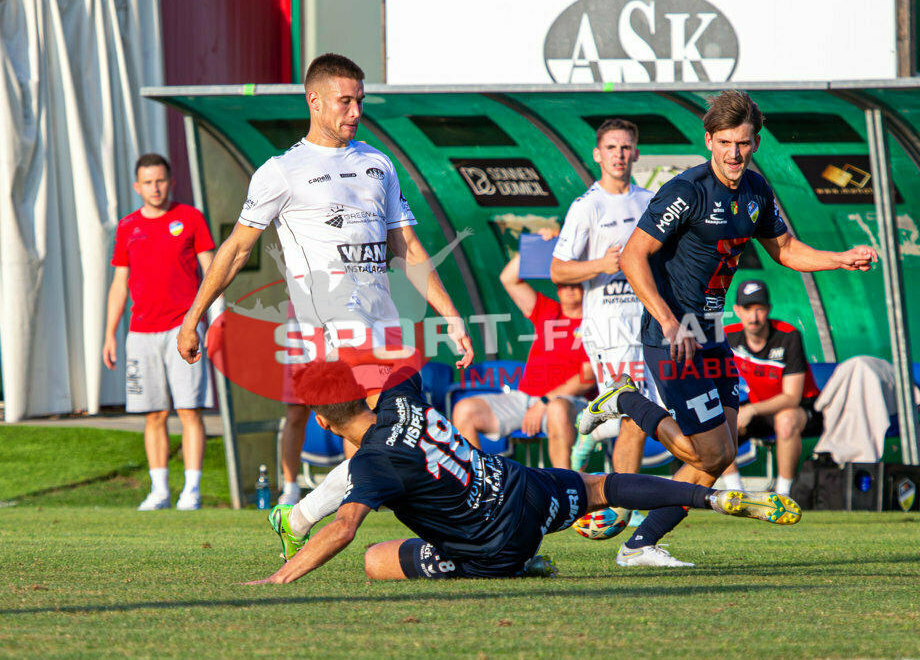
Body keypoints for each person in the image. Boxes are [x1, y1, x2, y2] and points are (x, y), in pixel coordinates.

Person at [582, 90, 876, 567]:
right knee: (709, 451)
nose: (734, 153)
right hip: (674, 335)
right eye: (724, 143)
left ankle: (640, 544)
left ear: (755, 141)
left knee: (721, 455)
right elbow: (634, 256)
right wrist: (669, 320)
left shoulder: (757, 190)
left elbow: (786, 249)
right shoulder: (687, 190)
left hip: (714, 333)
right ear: (709, 141)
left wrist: (839, 260)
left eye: (742, 143)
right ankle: (625, 401)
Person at [175, 53, 473, 505]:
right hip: (331, 327)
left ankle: (306, 519)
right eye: (345, 101)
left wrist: (451, 314)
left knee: (380, 438)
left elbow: (407, 247)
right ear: (314, 101)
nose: (356, 112)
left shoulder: (379, 163)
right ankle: (400, 518)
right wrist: (193, 316)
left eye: (360, 101)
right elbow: (236, 249)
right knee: (386, 429)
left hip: (384, 322)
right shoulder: (282, 171)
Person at [243, 360, 801, 584]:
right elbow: (400, 366)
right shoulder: (398, 400)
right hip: (521, 486)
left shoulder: (370, 463)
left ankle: (522, 565)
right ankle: (709, 499)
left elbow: (343, 530)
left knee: (374, 560)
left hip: (496, 546)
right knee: (600, 487)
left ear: (321, 420)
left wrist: (278, 578)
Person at [103, 153, 215, 511]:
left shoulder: (190, 218)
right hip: (140, 332)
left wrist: (213, 323)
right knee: (152, 414)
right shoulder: (127, 227)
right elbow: (120, 283)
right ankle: (160, 490)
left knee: (189, 410)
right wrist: (109, 334)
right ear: (137, 187)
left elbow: (212, 273)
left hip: (183, 331)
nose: (155, 187)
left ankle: (192, 491)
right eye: (148, 182)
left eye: (160, 180)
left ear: (170, 181)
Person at [550, 118, 655, 474]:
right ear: (597, 154)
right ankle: (631, 506)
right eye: (611, 147)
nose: (619, 155)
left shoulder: (651, 202)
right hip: (608, 327)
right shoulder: (587, 206)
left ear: (636, 153)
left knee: (643, 414)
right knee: (635, 413)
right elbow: (557, 270)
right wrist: (600, 264)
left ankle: (591, 434)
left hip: (647, 322)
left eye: (625, 147)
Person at [451, 229, 592, 468]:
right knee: (465, 409)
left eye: (575, 283)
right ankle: (480, 486)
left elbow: (587, 379)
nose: (568, 289)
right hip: (524, 398)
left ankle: (568, 489)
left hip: (568, 403)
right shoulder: (548, 310)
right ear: (556, 285)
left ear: (585, 284)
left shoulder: (595, 320)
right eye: (563, 283)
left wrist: (545, 402)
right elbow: (509, 279)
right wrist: (537, 244)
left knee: (557, 409)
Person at [721, 279, 823, 496]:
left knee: (785, 419)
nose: (754, 317)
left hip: (804, 410)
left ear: (768, 309)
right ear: (737, 310)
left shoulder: (788, 336)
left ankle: (782, 495)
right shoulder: (728, 336)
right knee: (719, 423)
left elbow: (791, 398)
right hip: (760, 409)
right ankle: (735, 494)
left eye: (759, 309)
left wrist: (751, 410)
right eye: (748, 309)